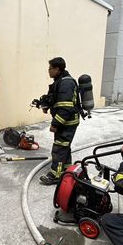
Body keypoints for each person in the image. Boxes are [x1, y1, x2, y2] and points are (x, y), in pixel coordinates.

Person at [39, 57, 81, 185]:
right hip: (66, 122)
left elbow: (65, 108)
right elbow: (56, 99)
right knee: (64, 147)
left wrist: (55, 124)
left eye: (50, 69)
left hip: (66, 123)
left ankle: (55, 175)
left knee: (58, 148)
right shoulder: (60, 80)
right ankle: (66, 168)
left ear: (57, 69)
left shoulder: (65, 83)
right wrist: (46, 104)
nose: (48, 71)